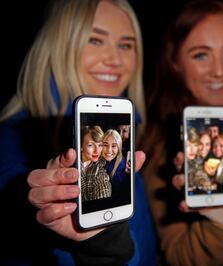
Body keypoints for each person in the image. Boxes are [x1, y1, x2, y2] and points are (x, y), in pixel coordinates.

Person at [0, 0, 157, 265]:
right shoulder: (12, 142)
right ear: (60, 43)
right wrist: (100, 245)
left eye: (126, 45)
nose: (115, 60)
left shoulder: (122, 137)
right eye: (95, 40)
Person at [140, 0, 223, 265]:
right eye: (201, 55)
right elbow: (179, 256)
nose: (219, 71)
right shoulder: (164, 141)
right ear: (174, 62)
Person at [81, 125, 112, 202]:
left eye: (100, 145)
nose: (97, 150)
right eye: (91, 145)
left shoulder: (100, 173)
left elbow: (103, 188)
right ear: (80, 146)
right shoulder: (71, 165)